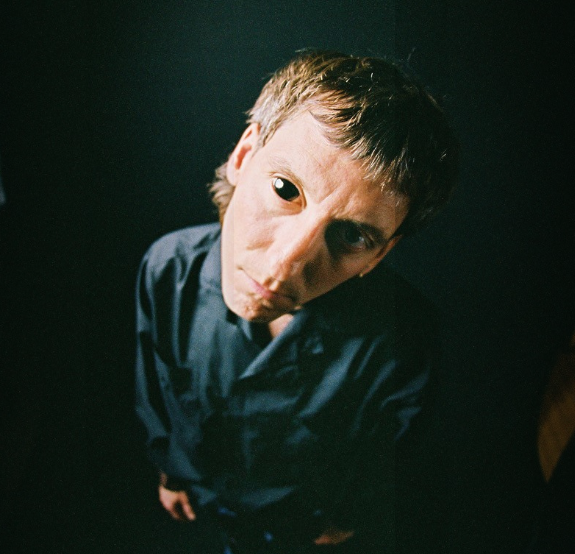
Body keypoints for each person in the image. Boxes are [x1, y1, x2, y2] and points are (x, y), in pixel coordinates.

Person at [134, 49, 459, 553]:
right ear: (244, 156)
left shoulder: (406, 335)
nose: (284, 266)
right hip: (204, 497)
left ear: (380, 254)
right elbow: (155, 387)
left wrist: (343, 521)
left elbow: (391, 452)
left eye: (351, 236)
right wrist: (170, 472)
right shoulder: (168, 269)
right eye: (286, 189)